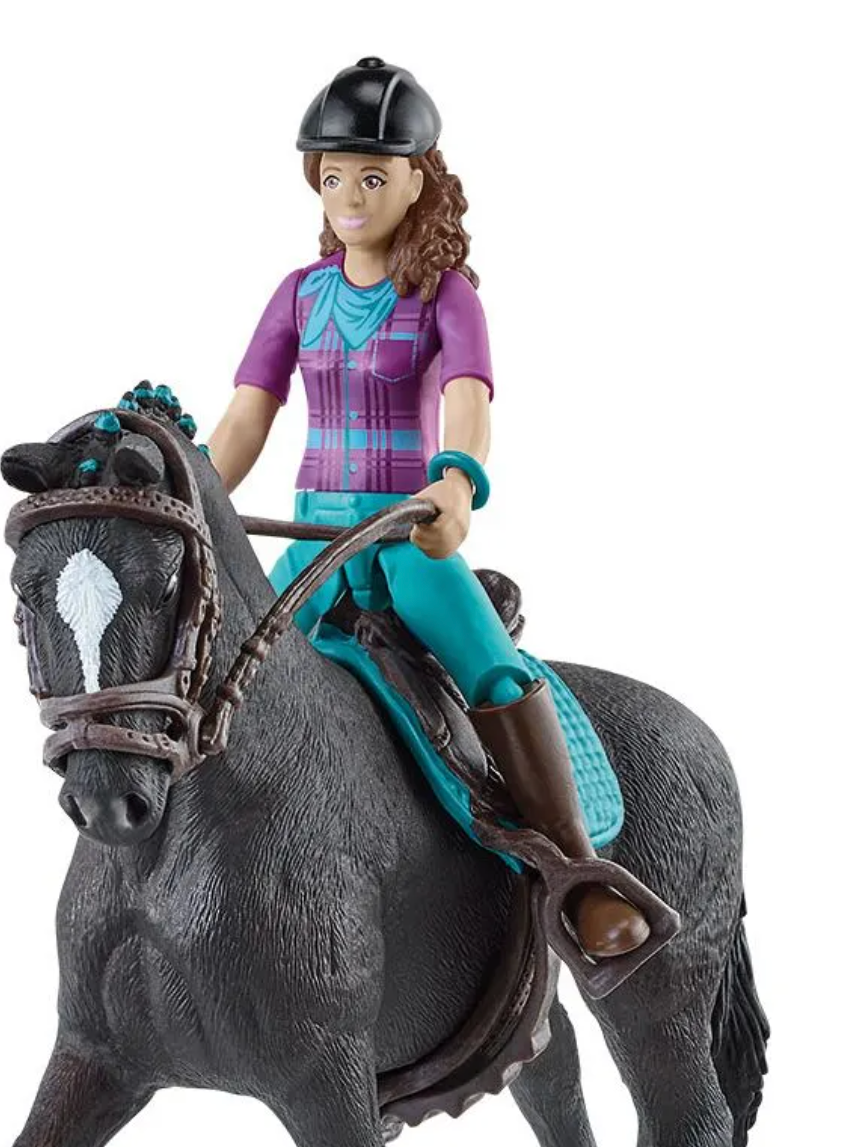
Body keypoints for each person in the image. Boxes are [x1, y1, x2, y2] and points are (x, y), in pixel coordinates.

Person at [206, 57, 649, 958]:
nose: (350, 196)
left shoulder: (446, 297)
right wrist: (197, 492)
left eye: (373, 177)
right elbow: (247, 418)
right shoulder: (298, 296)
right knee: (227, 678)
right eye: (335, 176)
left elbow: (468, 401)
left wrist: (455, 482)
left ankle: (577, 871)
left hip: (406, 536)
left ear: (418, 179)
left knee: (491, 670)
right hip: (312, 540)